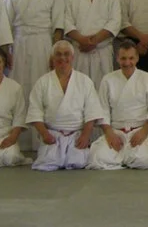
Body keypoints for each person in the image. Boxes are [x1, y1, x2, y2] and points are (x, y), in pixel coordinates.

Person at [4, 0, 65, 150]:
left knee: (42, 89)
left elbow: (58, 26)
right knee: (20, 88)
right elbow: (5, 24)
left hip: (43, 44)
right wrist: (7, 51)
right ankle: (20, 139)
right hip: (20, 43)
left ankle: (41, 139)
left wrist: (55, 53)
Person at [27, 41, 105, 171]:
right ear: (53, 58)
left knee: (78, 162)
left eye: (66, 54)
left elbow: (92, 112)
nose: (62, 58)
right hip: (53, 135)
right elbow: (35, 112)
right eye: (58, 54)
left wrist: (85, 136)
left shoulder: (84, 81)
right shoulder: (43, 82)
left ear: (72, 57)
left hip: (76, 135)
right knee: (48, 163)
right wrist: (44, 134)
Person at [87, 41, 148, 170]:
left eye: (131, 58)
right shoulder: (108, 80)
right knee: (98, 158)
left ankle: (121, 158)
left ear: (137, 58)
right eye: (123, 58)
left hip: (139, 130)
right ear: (117, 59)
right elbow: (103, 110)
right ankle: (124, 157)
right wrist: (109, 133)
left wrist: (144, 132)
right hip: (116, 131)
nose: (127, 63)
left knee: (145, 161)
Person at [65, 0, 122, 88]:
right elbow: (67, 22)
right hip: (79, 51)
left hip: (102, 51)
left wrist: (94, 41)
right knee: (79, 89)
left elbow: (115, 22)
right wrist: (82, 40)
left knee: (102, 89)